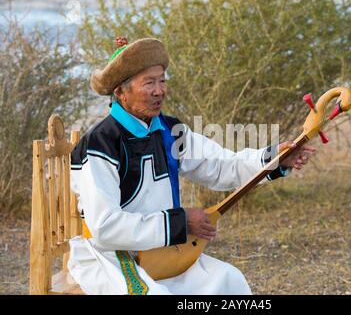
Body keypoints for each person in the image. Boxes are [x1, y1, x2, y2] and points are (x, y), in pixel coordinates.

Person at [68, 37, 316, 295]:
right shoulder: (100, 143)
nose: (159, 91)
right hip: (111, 258)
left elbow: (221, 166)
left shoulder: (169, 131)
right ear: (121, 92)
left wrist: (272, 159)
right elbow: (105, 227)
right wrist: (181, 223)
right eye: (149, 82)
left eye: (162, 80)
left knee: (229, 280)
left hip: (164, 251)